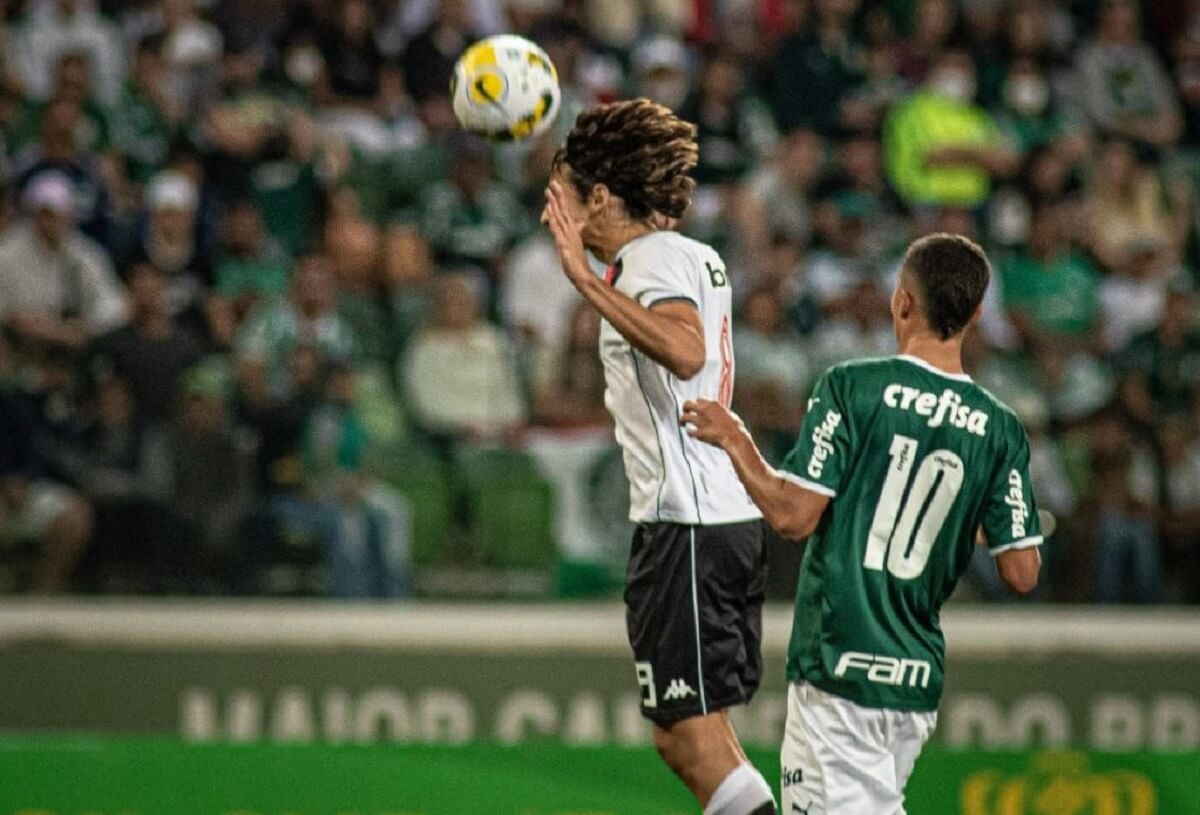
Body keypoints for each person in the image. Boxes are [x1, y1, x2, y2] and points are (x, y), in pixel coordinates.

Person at [682, 234, 1043, 813]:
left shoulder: (853, 387)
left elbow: (794, 516)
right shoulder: (999, 428)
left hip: (841, 665)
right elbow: (1022, 569)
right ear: (977, 315)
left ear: (902, 303)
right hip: (915, 680)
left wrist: (735, 438)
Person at [541, 99, 774, 815]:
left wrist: (581, 280)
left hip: (692, 526)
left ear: (601, 199)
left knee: (691, 739)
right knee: (688, 737)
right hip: (707, 517)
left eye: (562, 195)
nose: (552, 211)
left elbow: (684, 349)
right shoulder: (687, 254)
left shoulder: (649, 258)